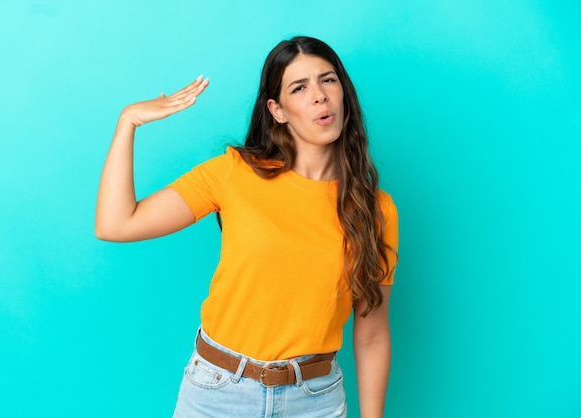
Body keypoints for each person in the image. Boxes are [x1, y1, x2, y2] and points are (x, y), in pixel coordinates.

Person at [95, 36, 398, 418]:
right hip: (217, 394)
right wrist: (129, 122)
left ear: (344, 94)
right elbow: (116, 224)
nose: (320, 96)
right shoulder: (234, 174)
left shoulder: (375, 210)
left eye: (328, 80)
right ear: (277, 110)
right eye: (299, 88)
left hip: (316, 400)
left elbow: (371, 335)